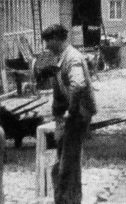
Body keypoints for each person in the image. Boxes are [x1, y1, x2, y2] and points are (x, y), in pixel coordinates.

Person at [42, 24, 96, 204]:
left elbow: (78, 84)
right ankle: (68, 199)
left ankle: (67, 201)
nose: (47, 46)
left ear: (57, 39)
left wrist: (70, 111)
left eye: (48, 41)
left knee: (67, 165)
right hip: (73, 115)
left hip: (77, 116)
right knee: (65, 163)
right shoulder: (62, 57)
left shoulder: (71, 57)